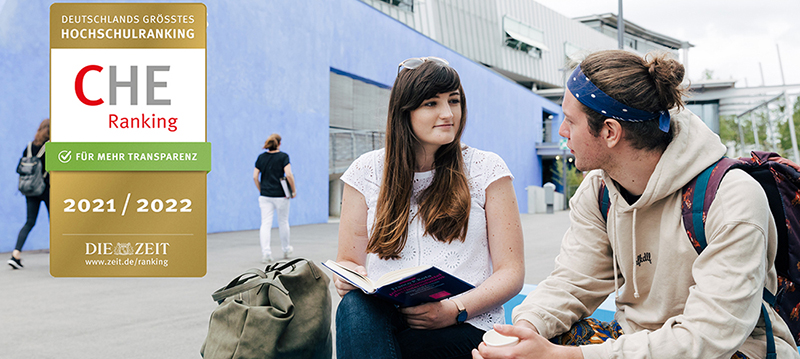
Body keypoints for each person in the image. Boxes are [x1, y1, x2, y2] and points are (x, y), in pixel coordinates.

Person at [473, 50, 800, 359]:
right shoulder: (599, 191)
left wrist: (566, 355)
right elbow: (571, 282)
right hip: (634, 343)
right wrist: (521, 333)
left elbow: (709, 337)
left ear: (610, 132)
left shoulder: (730, 197)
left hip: (728, 351)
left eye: (570, 121)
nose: (561, 132)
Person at [334, 56, 525, 359]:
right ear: (404, 111)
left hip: (464, 323)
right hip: (390, 318)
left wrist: (453, 310)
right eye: (431, 104)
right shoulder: (366, 171)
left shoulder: (486, 169)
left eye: (454, 101)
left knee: (403, 350)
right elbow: (348, 260)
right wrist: (346, 275)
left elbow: (511, 273)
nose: (448, 113)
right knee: (354, 307)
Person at [9, 118, 50, 269]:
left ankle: (15, 254)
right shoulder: (50, 147)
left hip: (30, 189)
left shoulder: (29, 146)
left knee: (29, 222)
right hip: (46, 189)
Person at [253, 133, 295, 263]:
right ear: (279, 143)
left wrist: (261, 189)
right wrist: (293, 190)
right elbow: (288, 174)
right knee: (283, 222)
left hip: (265, 195)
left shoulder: (261, 158)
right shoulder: (283, 156)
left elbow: (255, 176)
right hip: (281, 195)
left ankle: (266, 253)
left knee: (265, 223)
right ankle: (286, 249)